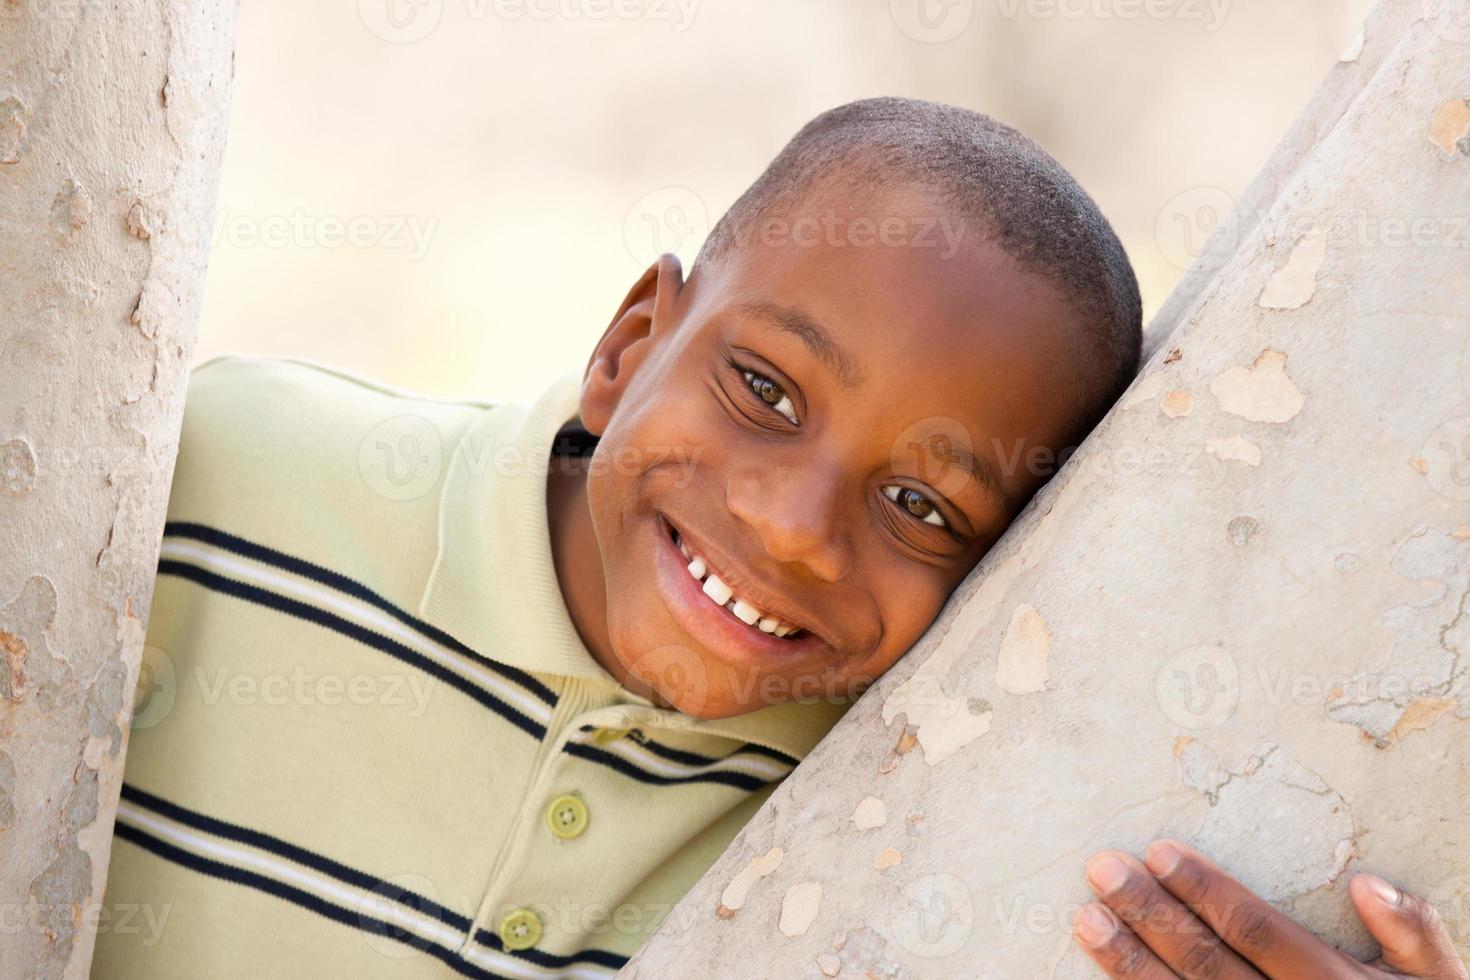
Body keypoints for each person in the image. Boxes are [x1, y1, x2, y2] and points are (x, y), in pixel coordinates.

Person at [95, 97, 1464, 978]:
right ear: (631, 342)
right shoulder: (218, 480)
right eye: (764, 390)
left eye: (924, 507)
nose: (793, 529)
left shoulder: (923, 808)